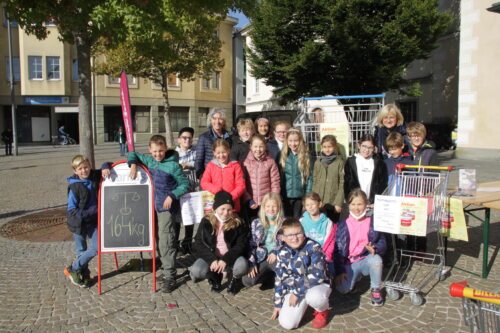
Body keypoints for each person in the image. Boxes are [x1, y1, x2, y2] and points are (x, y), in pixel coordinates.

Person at [128, 135, 189, 293]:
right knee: (156, 239)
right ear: (150, 150)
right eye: (154, 151)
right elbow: (132, 153)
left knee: (166, 240)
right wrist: (133, 165)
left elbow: (185, 184)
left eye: (161, 150)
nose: (158, 154)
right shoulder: (150, 161)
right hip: (151, 207)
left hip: (166, 209)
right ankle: (165, 266)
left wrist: (172, 195)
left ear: (166, 148)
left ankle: (170, 275)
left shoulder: (173, 166)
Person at [271, 218, 331, 330]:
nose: (294, 238)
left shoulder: (313, 246)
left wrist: (298, 292)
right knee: (287, 323)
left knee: (315, 297)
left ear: (303, 233)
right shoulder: (282, 252)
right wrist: (278, 303)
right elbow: (279, 278)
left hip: (316, 285)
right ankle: (303, 304)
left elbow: (317, 275)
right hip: (294, 288)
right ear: (283, 237)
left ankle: (322, 310)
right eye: (289, 235)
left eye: (298, 233)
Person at [189, 190, 249, 295]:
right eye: (223, 209)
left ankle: (234, 278)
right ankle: (215, 278)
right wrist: (212, 260)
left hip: (231, 256)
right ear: (215, 208)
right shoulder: (206, 221)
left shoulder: (238, 222)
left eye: (229, 209)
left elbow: (241, 245)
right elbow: (198, 243)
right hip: (213, 256)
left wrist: (226, 259)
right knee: (197, 270)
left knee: (242, 265)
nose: (226, 213)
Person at [334, 189, 386, 307]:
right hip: (349, 263)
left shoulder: (372, 222)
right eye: (353, 204)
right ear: (348, 205)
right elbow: (337, 251)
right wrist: (340, 270)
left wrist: (375, 248)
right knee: (343, 289)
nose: (356, 208)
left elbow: (383, 242)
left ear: (366, 204)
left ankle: (376, 289)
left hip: (365, 259)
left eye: (360, 204)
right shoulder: (343, 224)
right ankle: (355, 278)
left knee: (376, 259)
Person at [64, 155, 110, 288]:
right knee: (81, 250)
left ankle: (73, 268)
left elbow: (108, 163)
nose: (84, 171)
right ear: (75, 171)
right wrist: (94, 210)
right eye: (80, 169)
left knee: (97, 247)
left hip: (92, 222)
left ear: (90, 166)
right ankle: (83, 275)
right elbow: (72, 210)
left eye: (86, 167)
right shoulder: (74, 187)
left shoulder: (94, 175)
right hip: (78, 223)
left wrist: (106, 166)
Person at [243, 193, 284, 289]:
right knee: (247, 281)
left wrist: (276, 251)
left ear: (279, 207)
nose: (271, 209)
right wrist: (252, 263)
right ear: (263, 207)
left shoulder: (284, 223)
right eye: (268, 206)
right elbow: (251, 245)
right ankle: (268, 276)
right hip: (261, 258)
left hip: (277, 258)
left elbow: (288, 243)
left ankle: (277, 278)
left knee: (283, 277)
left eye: (274, 206)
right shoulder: (256, 223)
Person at [242, 134, 281, 222]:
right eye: (255, 146)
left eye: (261, 146)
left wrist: (273, 199)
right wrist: (248, 200)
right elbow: (242, 184)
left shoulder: (270, 162)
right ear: (250, 147)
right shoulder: (245, 163)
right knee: (253, 225)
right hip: (251, 203)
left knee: (267, 224)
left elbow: (275, 182)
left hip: (266, 203)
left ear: (265, 147)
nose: (258, 149)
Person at [200, 139, 245, 213]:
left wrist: (230, 197)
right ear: (214, 153)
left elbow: (241, 185)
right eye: (218, 153)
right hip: (216, 204)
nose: (221, 155)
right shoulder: (211, 166)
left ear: (228, 151)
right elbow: (204, 182)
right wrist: (218, 191)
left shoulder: (235, 166)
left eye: (223, 152)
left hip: (232, 205)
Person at [344, 134, 387, 205]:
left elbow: (382, 184)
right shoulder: (351, 161)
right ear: (359, 145)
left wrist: (376, 201)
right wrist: (351, 201)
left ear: (374, 148)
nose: (367, 150)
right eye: (364, 146)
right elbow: (347, 183)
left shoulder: (379, 163)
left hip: (373, 203)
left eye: (370, 147)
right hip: (356, 203)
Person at [280, 128, 313, 217]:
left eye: (296, 141)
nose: (293, 144)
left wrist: (307, 196)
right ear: (286, 141)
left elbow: (310, 178)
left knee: (298, 220)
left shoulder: (306, 156)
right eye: (290, 141)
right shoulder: (282, 155)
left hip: (300, 196)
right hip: (285, 196)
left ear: (300, 141)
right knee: (287, 221)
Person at [174, 127, 197, 255]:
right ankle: (175, 244)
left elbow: (199, 164)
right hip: (178, 192)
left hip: (191, 191)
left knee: (190, 219)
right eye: (184, 138)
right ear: (179, 139)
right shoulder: (173, 154)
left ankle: (187, 243)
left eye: (189, 138)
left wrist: (189, 165)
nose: (187, 140)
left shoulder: (196, 152)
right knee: (177, 220)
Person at [312, 135, 344, 222]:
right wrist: (314, 199)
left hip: (333, 202)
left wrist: (338, 203)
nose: (327, 149)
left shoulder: (339, 162)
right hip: (319, 201)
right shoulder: (318, 162)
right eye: (324, 147)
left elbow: (342, 183)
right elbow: (315, 181)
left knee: (333, 225)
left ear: (335, 147)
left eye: (330, 146)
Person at [195, 108, 232, 178]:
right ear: (210, 120)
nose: (217, 121)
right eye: (214, 118)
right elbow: (199, 160)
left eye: (220, 119)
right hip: (210, 176)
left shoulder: (229, 137)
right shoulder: (204, 137)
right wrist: (201, 176)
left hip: (226, 176)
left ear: (224, 121)